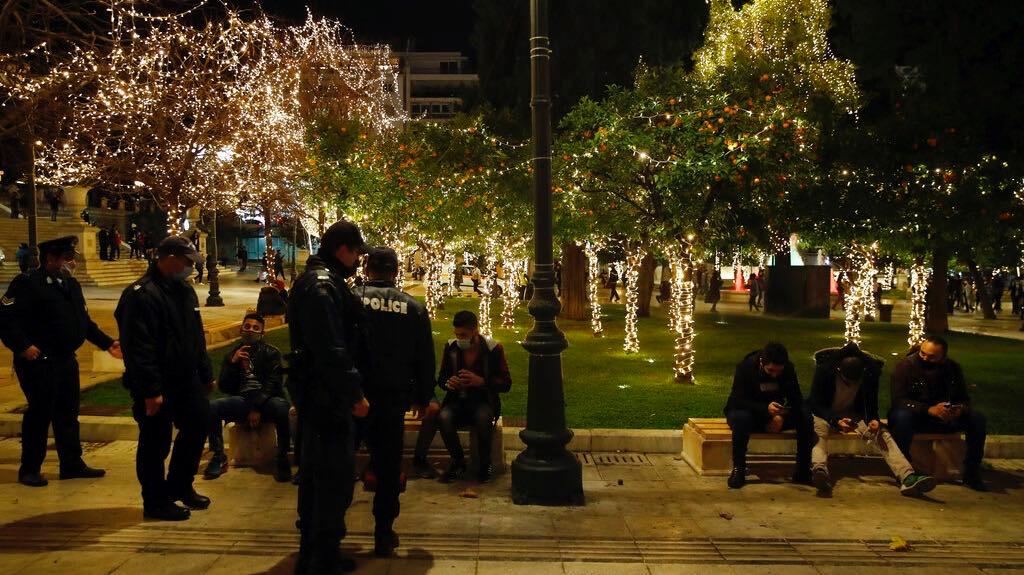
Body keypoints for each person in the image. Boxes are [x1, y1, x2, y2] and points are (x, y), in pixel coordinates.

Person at [0, 236, 121, 487]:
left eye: (72, 257)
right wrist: (23, 347)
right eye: (67, 258)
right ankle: (30, 469)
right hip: (39, 361)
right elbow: (5, 318)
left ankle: (72, 464)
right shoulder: (28, 283)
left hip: (66, 360)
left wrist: (108, 343)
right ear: (50, 259)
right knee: (40, 414)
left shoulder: (70, 285)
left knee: (68, 413)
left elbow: (84, 323)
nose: (72, 262)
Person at [287, 220, 369, 574]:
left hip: (319, 394)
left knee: (318, 475)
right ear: (342, 249)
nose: (358, 260)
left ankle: (315, 550)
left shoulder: (322, 282)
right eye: (356, 252)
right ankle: (321, 555)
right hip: (328, 397)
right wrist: (354, 393)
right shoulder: (323, 287)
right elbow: (332, 349)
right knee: (331, 477)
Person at [115, 236, 215, 521]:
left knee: (198, 424)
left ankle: (180, 485)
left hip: (186, 380)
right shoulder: (140, 294)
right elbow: (138, 348)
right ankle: (156, 501)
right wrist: (150, 390)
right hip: (157, 384)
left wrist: (205, 373)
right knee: (155, 444)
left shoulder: (184, 291)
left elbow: (196, 336)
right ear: (169, 258)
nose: (190, 268)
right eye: (186, 262)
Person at [353, 247, 438, 557]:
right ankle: (383, 533)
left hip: (354, 395)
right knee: (388, 466)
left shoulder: (351, 298)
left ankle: (330, 528)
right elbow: (424, 356)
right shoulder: (412, 307)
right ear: (395, 270)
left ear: (368, 268)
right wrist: (424, 394)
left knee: (340, 461)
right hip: (392, 397)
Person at [807, 343, 936, 496]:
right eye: (848, 381)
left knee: (882, 433)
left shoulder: (869, 376)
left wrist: (873, 420)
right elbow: (816, 405)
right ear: (838, 370)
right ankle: (819, 470)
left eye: (856, 381)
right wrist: (836, 420)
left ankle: (907, 476)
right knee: (819, 430)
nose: (852, 385)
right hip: (825, 413)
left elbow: (870, 405)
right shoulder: (825, 372)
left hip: (854, 414)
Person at [415, 310, 512, 484]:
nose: (460, 339)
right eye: (457, 335)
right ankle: (458, 461)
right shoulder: (452, 347)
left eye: (463, 335)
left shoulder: (493, 349)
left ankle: (484, 463)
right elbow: (442, 378)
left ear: (475, 330)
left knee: (483, 418)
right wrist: (449, 383)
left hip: (483, 401)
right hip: (457, 400)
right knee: (444, 417)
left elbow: (506, 383)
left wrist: (481, 381)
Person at [888, 335, 988, 491]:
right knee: (902, 417)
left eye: (932, 357)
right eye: (923, 354)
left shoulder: (952, 368)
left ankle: (972, 472)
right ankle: (905, 472)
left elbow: (964, 399)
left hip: (944, 417)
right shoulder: (905, 367)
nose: (925, 359)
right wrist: (928, 410)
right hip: (916, 416)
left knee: (977, 419)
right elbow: (898, 400)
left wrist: (958, 409)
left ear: (943, 357)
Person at [204, 313, 291, 482]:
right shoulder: (232, 355)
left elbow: (272, 385)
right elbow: (224, 387)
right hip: (242, 401)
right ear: (241, 329)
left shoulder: (271, 353)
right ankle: (218, 455)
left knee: (281, 407)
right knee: (213, 407)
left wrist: (256, 408)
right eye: (247, 327)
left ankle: (282, 456)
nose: (250, 331)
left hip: (267, 401)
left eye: (255, 328)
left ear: (262, 333)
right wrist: (233, 363)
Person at [724, 342, 814, 489]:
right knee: (741, 419)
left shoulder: (788, 369)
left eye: (778, 371)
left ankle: (803, 470)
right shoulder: (746, 367)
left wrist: (783, 414)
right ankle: (739, 468)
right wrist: (765, 410)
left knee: (805, 416)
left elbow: (796, 398)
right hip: (749, 410)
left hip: (776, 413)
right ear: (762, 362)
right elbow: (738, 400)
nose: (775, 375)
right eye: (770, 371)